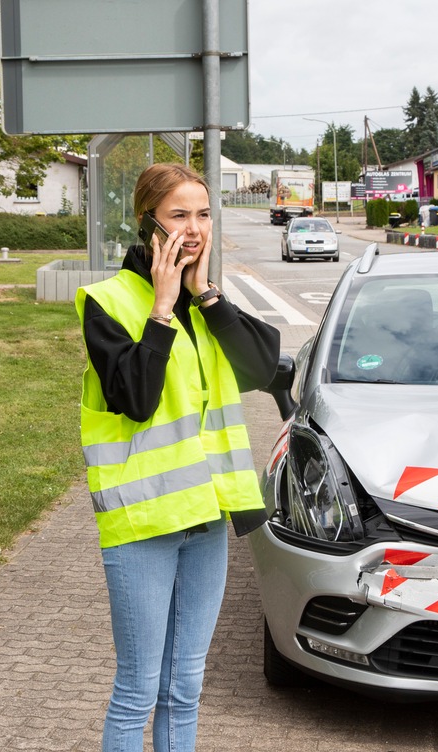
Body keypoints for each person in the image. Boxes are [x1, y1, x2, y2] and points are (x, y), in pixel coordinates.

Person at [75, 163, 280, 752]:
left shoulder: (205, 301)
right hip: (143, 525)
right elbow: (136, 399)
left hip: (207, 520)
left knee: (185, 686)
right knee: (139, 688)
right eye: (178, 215)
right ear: (148, 223)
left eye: (203, 214)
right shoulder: (107, 301)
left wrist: (204, 294)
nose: (193, 229)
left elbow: (261, 368)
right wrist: (161, 309)